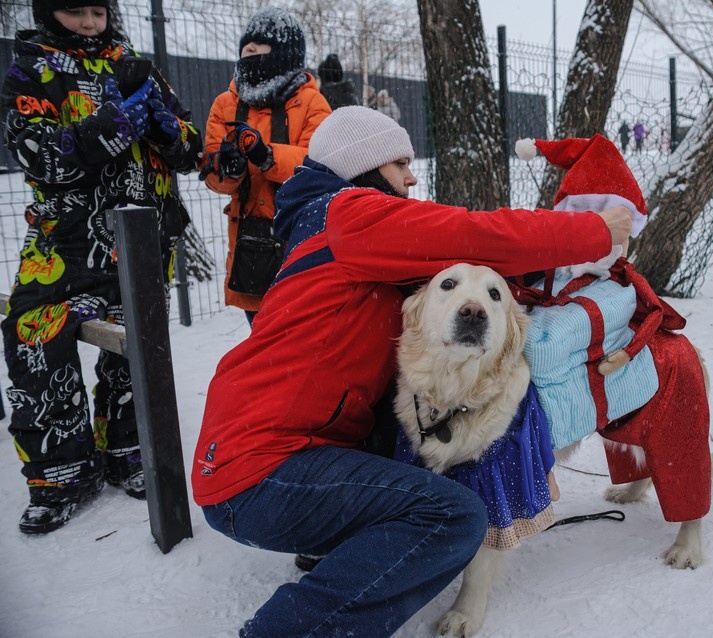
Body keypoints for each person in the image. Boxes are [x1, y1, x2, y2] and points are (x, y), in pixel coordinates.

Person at [191, 105, 632, 637]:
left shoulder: (336, 226)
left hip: (263, 459)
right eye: (400, 162)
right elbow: (473, 236)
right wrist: (592, 232)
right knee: (456, 516)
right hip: (260, 473)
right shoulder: (350, 214)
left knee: (401, 436)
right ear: (366, 165)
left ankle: (334, 544)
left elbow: (466, 277)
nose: (412, 175)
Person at [1, 0, 202, 534]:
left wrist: (167, 131)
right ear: (50, 13)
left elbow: (190, 149)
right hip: (64, 247)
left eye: (98, 12)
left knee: (136, 350)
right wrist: (108, 126)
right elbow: (34, 153)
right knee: (33, 337)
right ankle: (61, 472)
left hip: (142, 240)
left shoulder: (134, 64)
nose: (90, 24)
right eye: (75, 12)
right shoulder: (33, 67)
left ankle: (127, 449)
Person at [199, 7, 331, 325]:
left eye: (261, 50)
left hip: (301, 237)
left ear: (285, 54)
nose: (251, 57)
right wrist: (227, 169)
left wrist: (266, 156)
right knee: (261, 337)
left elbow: (321, 164)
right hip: (251, 246)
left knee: (304, 332)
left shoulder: (312, 103)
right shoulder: (225, 104)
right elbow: (212, 173)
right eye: (247, 50)